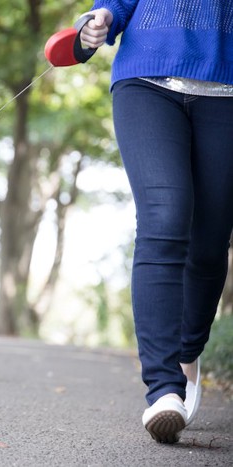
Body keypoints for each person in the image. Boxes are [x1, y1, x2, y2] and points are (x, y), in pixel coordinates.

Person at [78, 0, 233, 444]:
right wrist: (101, 16)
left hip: (227, 89)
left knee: (209, 243)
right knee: (165, 217)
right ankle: (164, 389)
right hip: (147, 81)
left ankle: (187, 354)